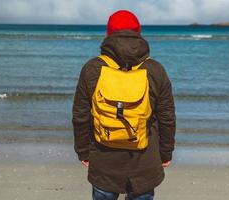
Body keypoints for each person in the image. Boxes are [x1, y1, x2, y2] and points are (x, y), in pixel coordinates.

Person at [72, 10, 176, 200]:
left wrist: (83, 151)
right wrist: (166, 152)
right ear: (139, 33)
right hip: (144, 161)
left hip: (104, 160)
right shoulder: (155, 69)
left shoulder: (93, 68)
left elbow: (80, 115)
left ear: (108, 34)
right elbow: (167, 117)